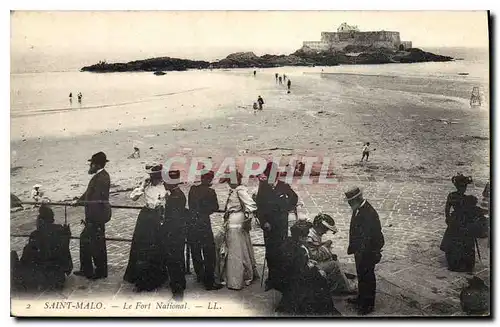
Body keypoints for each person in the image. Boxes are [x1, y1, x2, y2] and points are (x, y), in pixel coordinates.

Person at [275, 220, 341, 316]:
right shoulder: (300, 251)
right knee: (321, 279)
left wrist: (309, 263)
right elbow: (303, 271)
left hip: (287, 279)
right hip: (296, 282)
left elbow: (299, 265)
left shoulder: (291, 243)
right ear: (301, 237)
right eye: (305, 236)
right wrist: (317, 270)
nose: (307, 238)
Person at [123, 164, 168, 291]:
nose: (153, 178)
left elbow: (165, 203)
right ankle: (139, 277)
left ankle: (154, 278)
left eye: (156, 176)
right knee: (141, 247)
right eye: (152, 175)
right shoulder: (146, 186)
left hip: (157, 217)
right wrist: (142, 186)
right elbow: (133, 198)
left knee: (154, 247)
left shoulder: (165, 187)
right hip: (145, 217)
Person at [255, 162, 298, 291]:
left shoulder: (284, 186)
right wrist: (264, 222)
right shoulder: (263, 188)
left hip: (281, 225)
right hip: (269, 227)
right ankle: (272, 279)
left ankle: (282, 278)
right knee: (270, 253)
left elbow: (294, 198)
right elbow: (259, 207)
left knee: (282, 251)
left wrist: (286, 209)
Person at [11, 205, 72, 291]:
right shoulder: (61, 232)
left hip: (40, 278)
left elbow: (26, 259)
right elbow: (66, 259)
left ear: (40, 221)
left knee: (12, 255)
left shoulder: (36, 235)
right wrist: (67, 235)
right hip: (57, 278)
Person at [345, 186, 385, 315]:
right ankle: (361, 298)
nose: (349, 204)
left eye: (350, 202)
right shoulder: (358, 209)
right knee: (361, 276)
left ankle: (367, 306)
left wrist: (366, 253)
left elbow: (373, 237)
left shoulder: (368, 213)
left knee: (368, 278)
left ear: (357, 199)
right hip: (360, 251)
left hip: (368, 252)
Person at [73, 151, 111, 280]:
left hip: (96, 217)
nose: (90, 166)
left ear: (96, 165)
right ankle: (87, 269)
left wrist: (90, 219)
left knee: (96, 243)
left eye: (91, 164)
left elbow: (95, 200)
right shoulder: (100, 177)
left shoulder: (101, 178)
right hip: (95, 216)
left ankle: (99, 271)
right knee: (87, 241)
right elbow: (88, 193)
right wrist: (78, 201)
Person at [219, 171, 259, 290]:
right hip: (234, 219)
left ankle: (235, 279)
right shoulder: (236, 190)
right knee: (239, 247)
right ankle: (245, 274)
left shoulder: (240, 190)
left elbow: (252, 205)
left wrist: (247, 214)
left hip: (236, 220)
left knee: (235, 249)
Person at [187, 170, 223, 290]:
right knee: (209, 252)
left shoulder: (193, 189)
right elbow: (215, 207)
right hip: (203, 223)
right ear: (210, 180)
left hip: (192, 223)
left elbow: (191, 205)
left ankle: (200, 275)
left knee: (195, 250)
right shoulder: (210, 192)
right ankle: (209, 282)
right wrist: (206, 211)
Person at [305, 213, 357, 294]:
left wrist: (323, 245)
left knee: (333, 258)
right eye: (325, 229)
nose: (325, 232)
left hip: (311, 262)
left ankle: (342, 279)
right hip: (311, 265)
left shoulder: (314, 232)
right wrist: (325, 246)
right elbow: (314, 256)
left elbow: (315, 247)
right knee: (334, 264)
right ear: (320, 227)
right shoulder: (310, 236)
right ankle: (345, 288)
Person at [440, 174, 480, 272]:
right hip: (455, 221)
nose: (463, 189)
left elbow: (472, 210)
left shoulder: (469, 198)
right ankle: (454, 263)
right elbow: (447, 208)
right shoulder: (452, 196)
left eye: (465, 186)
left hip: (465, 222)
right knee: (454, 242)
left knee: (466, 243)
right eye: (461, 186)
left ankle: (466, 263)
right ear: (457, 186)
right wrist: (448, 218)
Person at [161, 170, 188, 301]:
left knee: (174, 262)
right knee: (178, 260)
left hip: (173, 234)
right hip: (178, 234)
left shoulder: (174, 197)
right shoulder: (177, 194)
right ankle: (180, 284)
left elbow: (173, 219)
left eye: (165, 181)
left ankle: (177, 293)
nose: (164, 183)